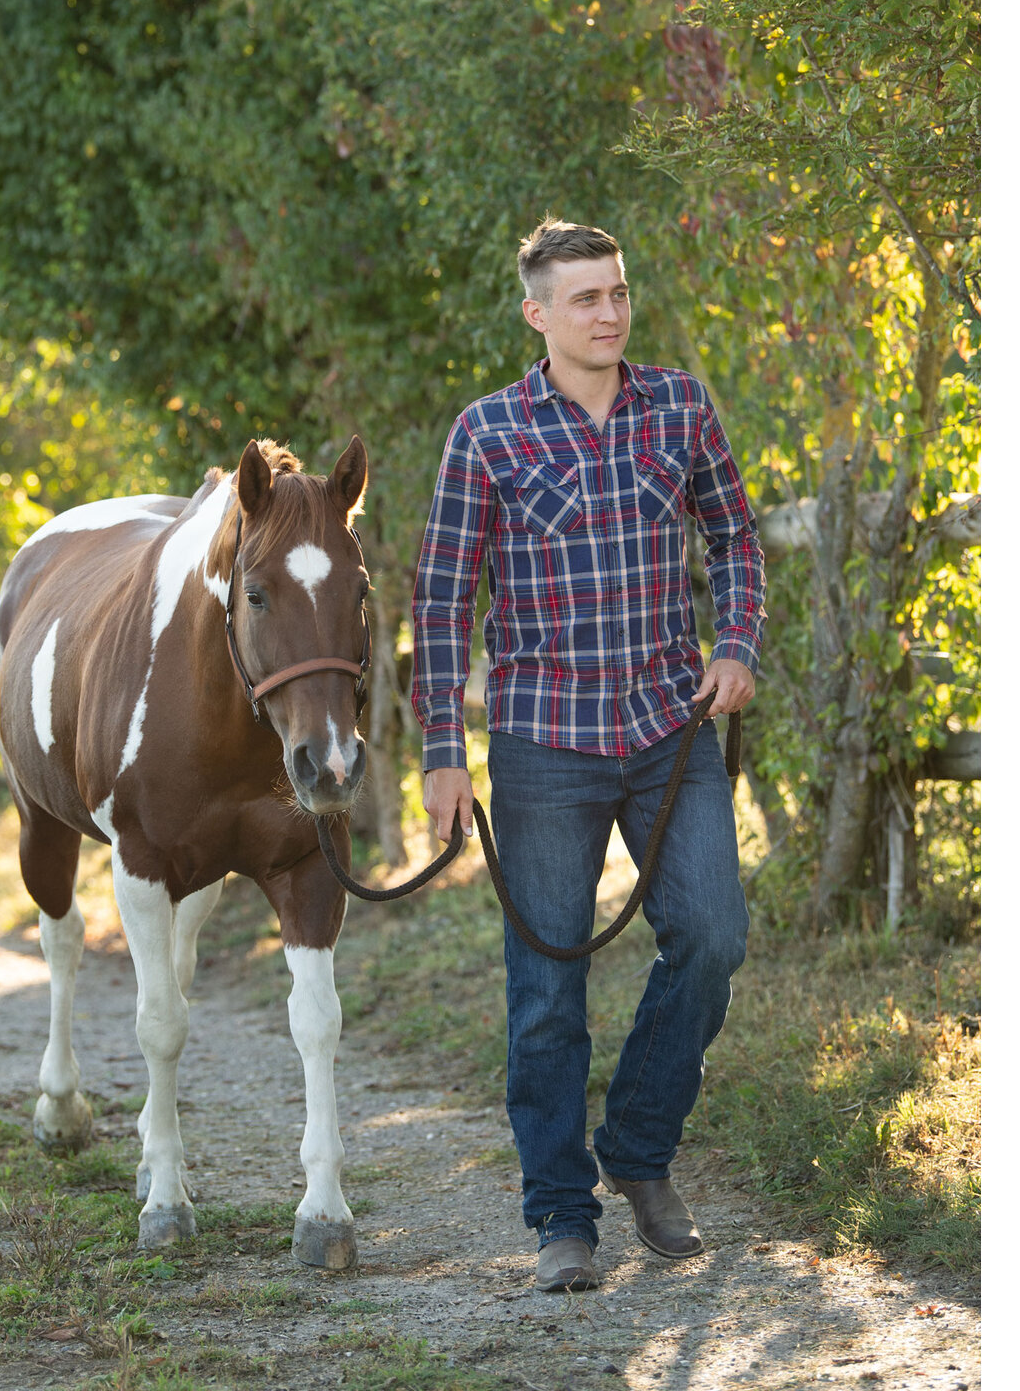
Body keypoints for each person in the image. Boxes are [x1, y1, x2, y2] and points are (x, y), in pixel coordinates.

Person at [410, 218, 765, 1293]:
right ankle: (561, 1217)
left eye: (616, 294)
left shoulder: (680, 406)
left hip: (668, 727)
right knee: (545, 989)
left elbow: (734, 536)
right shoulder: (486, 434)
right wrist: (440, 752)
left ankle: (638, 1149)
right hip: (541, 747)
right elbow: (439, 602)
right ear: (535, 314)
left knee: (710, 937)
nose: (607, 314)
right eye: (583, 299)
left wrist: (735, 641)